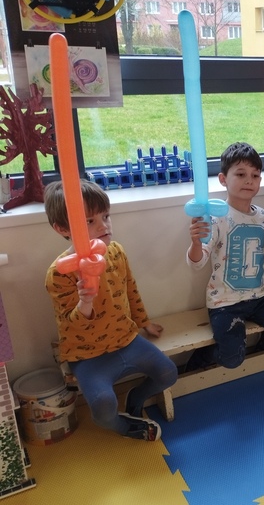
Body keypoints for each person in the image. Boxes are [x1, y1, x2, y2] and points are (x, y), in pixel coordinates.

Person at [44, 180, 177, 442]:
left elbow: (130, 290)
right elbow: (70, 324)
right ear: (62, 228)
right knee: (103, 408)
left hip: (125, 339)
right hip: (87, 353)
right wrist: (85, 302)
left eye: (105, 216)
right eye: (90, 221)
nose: (103, 226)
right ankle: (124, 426)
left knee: (168, 373)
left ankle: (136, 398)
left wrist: (144, 322)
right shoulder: (60, 273)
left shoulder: (116, 252)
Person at [186, 142, 264, 370]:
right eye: (241, 174)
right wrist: (195, 242)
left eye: (255, 175)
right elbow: (197, 263)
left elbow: (256, 259)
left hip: (259, 297)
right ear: (223, 179)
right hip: (225, 302)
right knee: (232, 359)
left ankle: (263, 346)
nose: (249, 180)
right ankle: (202, 357)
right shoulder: (215, 219)